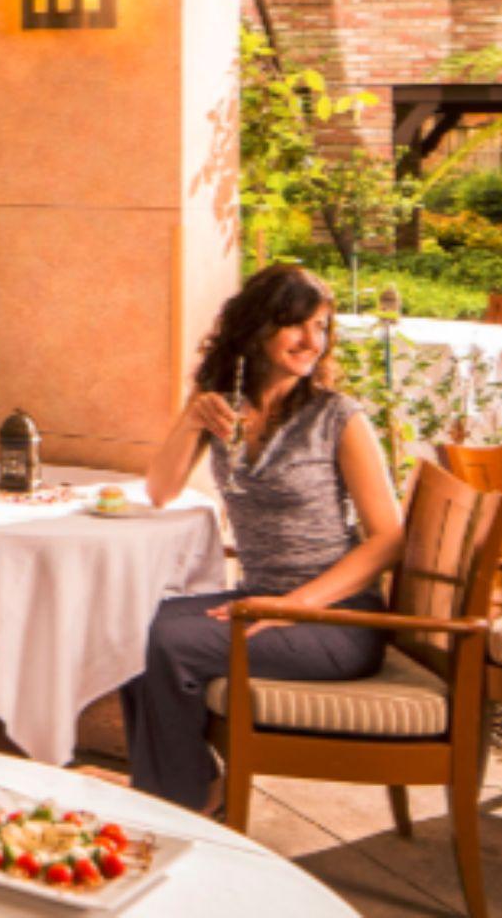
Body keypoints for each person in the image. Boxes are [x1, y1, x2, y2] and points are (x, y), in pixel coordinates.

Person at [120, 264, 406, 815]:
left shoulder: (337, 418)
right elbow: (159, 490)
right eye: (296, 325)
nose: (311, 342)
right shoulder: (226, 407)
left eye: (321, 327)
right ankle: (187, 786)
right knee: (129, 625)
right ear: (255, 328)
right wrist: (191, 417)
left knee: (167, 642)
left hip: (337, 619)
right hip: (261, 601)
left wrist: (298, 605)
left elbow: (388, 538)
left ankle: (178, 800)